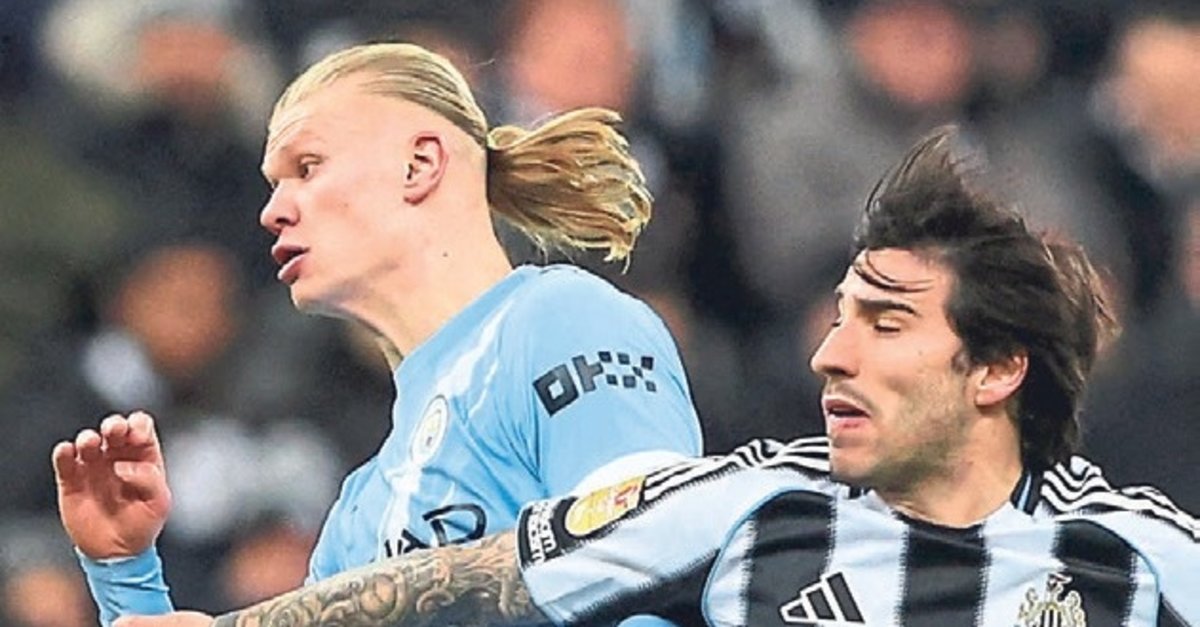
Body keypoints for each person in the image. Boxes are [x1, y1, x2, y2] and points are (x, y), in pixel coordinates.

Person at [113, 126, 1199, 627]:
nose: (831, 352)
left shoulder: (1142, 558)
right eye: (838, 318)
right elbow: (472, 580)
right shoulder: (746, 507)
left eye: (886, 322)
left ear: (998, 368)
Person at [51, 41, 702, 626]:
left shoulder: (564, 322)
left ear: (419, 164)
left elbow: (651, 565)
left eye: (307, 167)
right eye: (274, 184)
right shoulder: (358, 512)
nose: (272, 210)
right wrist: (128, 576)